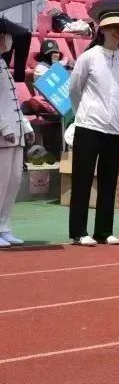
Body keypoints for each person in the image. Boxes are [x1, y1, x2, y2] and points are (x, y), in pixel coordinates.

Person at [67, 12, 119, 246]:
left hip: (114, 128)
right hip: (88, 125)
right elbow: (75, 89)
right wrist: (83, 113)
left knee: (109, 180)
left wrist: (113, 112)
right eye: (113, 27)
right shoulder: (89, 57)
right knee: (82, 179)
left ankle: (103, 231)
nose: (118, 31)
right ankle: (78, 231)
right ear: (102, 30)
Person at [0, 34, 33, 247]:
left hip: (16, 132)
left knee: (13, 182)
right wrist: (3, 127)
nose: (7, 41)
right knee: (0, 183)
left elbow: (13, 100)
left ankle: (4, 226)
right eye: (3, 37)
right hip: (3, 134)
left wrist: (25, 125)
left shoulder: (3, 63)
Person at [0, 0, 48, 82]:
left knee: (20, 66)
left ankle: (18, 92)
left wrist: (30, 13)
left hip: (25, 31)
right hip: (7, 30)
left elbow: (42, 2)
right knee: (3, 63)